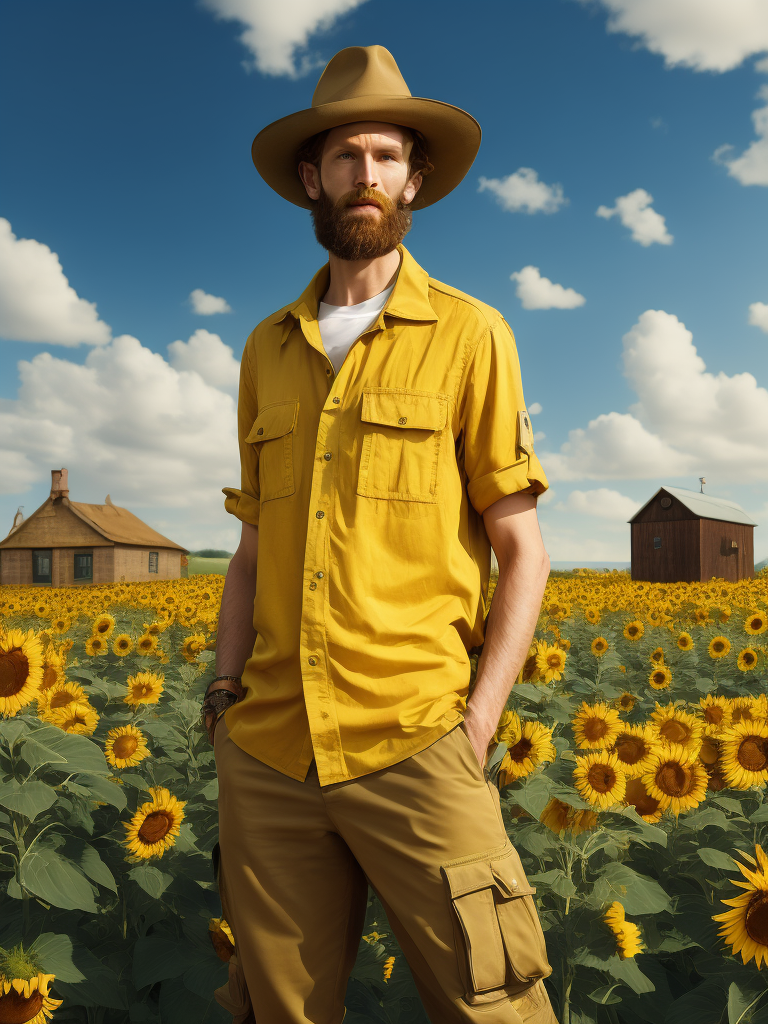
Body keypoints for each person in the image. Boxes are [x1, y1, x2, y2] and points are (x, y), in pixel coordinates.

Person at [202, 44, 556, 1024]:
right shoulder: (265, 349)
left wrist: (477, 724)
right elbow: (251, 548)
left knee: (498, 1003)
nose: (367, 175)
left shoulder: (473, 333)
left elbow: (521, 548)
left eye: (387, 156)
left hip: (416, 739)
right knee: (279, 1013)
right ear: (312, 178)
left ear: (416, 178)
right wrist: (223, 695)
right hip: (269, 754)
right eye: (347, 156)